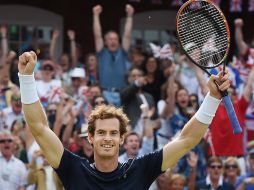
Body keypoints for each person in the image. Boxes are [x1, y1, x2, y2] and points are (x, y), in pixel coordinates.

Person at [18, 51, 230, 190]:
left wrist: (212, 98)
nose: (107, 138)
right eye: (101, 132)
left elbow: (187, 139)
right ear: (90, 137)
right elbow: (39, 127)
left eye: (113, 133)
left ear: (122, 139)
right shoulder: (73, 168)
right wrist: (27, 79)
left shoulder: (141, 169)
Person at [92, 4, 134, 106]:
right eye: (110, 39)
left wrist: (129, 16)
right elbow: (97, 35)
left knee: (121, 121)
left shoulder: (122, 51)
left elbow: (127, 35)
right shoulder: (102, 52)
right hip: (105, 93)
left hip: (121, 93)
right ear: (105, 41)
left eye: (115, 39)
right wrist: (96, 15)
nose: (113, 41)